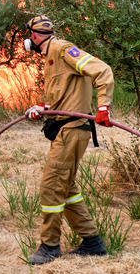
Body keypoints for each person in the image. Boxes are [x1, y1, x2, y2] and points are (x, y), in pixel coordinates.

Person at [22, 15, 114, 265]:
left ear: (33, 35)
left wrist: (103, 107)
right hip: (64, 127)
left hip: (73, 129)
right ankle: (92, 243)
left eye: (28, 36)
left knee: (52, 186)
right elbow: (62, 95)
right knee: (67, 187)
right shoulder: (52, 56)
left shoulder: (63, 49)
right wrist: (42, 107)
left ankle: (49, 247)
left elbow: (103, 70)